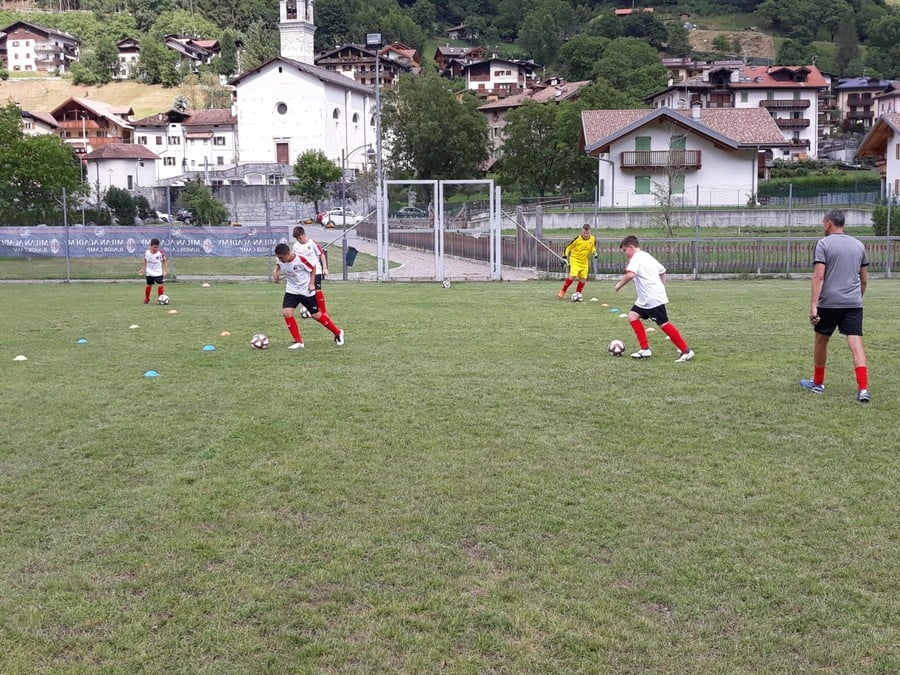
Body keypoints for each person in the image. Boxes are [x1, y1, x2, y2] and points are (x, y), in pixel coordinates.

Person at [801, 209, 870, 402]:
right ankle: (863, 389)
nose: (823, 225)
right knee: (856, 344)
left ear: (829, 223)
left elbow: (819, 277)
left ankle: (818, 383)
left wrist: (813, 305)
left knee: (821, 341)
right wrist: (857, 298)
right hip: (854, 303)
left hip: (829, 303)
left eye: (823, 222)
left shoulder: (823, 244)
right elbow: (864, 279)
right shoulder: (859, 245)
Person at [614, 235, 695, 362]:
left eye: (625, 250)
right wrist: (660, 287)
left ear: (631, 247)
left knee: (663, 324)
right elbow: (662, 271)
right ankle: (645, 349)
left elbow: (630, 274)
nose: (625, 253)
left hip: (652, 298)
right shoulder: (647, 256)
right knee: (632, 316)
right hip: (645, 299)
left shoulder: (636, 258)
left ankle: (686, 351)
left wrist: (618, 285)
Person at [272, 242, 344, 349]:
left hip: (306, 291)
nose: (280, 259)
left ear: (288, 253)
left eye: (282, 258)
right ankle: (299, 342)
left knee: (316, 315)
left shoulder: (300, 259)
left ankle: (338, 332)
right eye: (278, 257)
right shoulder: (280, 259)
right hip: (292, 290)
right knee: (287, 313)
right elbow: (278, 265)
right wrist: (275, 272)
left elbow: (313, 268)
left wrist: (311, 284)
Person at [292, 225, 329, 313]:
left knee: (317, 289)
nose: (299, 240)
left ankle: (323, 311)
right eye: (297, 239)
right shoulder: (295, 246)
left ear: (304, 234)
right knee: (302, 291)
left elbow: (321, 254)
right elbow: (294, 258)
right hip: (304, 272)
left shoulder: (312, 243)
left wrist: (325, 268)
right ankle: (291, 308)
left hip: (316, 270)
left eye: (300, 238)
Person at [558, 224, 597, 299]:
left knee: (583, 278)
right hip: (575, 260)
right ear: (581, 231)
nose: (586, 235)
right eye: (584, 233)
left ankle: (578, 294)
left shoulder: (593, 239)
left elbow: (593, 247)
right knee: (573, 276)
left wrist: (594, 252)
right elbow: (568, 247)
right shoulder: (577, 239)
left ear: (590, 232)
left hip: (584, 261)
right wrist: (564, 256)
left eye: (587, 233)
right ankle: (562, 291)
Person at [138, 238, 169, 304]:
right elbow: (145, 261)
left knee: (160, 285)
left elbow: (164, 261)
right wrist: (143, 269)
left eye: (157, 247)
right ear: (151, 246)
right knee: (148, 285)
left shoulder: (160, 253)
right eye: (154, 247)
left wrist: (165, 270)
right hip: (149, 272)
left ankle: (160, 299)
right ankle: (147, 299)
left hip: (158, 272)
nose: (156, 248)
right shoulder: (147, 253)